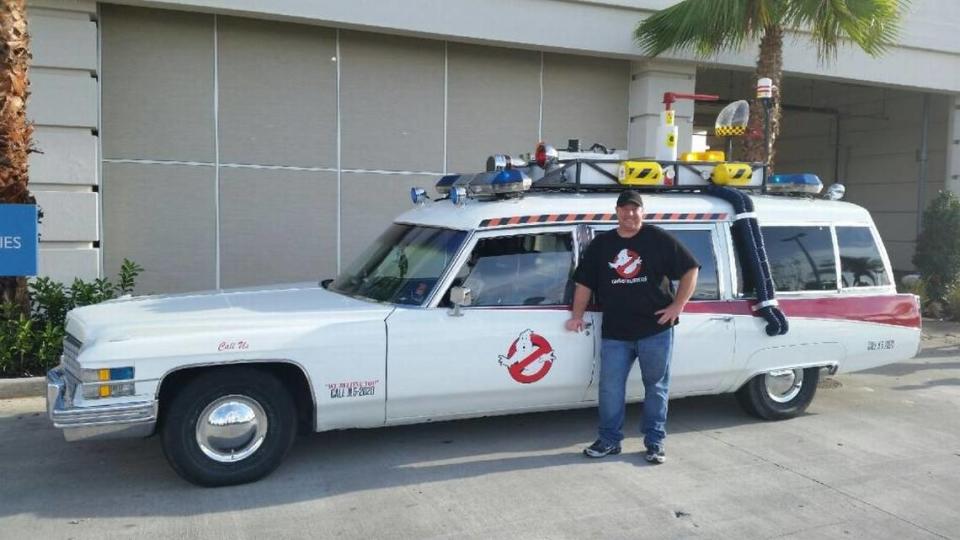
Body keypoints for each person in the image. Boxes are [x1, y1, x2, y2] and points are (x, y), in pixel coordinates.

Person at [566, 190, 699, 464]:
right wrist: (576, 315)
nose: (630, 213)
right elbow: (584, 283)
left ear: (642, 211)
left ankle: (654, 442)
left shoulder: (657, 238)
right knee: (610, 389)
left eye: (635, 209)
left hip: (656, 330)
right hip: (615, 332)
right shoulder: (602, 245)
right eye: (625, 209)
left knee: (657, 387)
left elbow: (690, 269)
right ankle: (609, 441)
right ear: (617, 212)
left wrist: (678, 306)